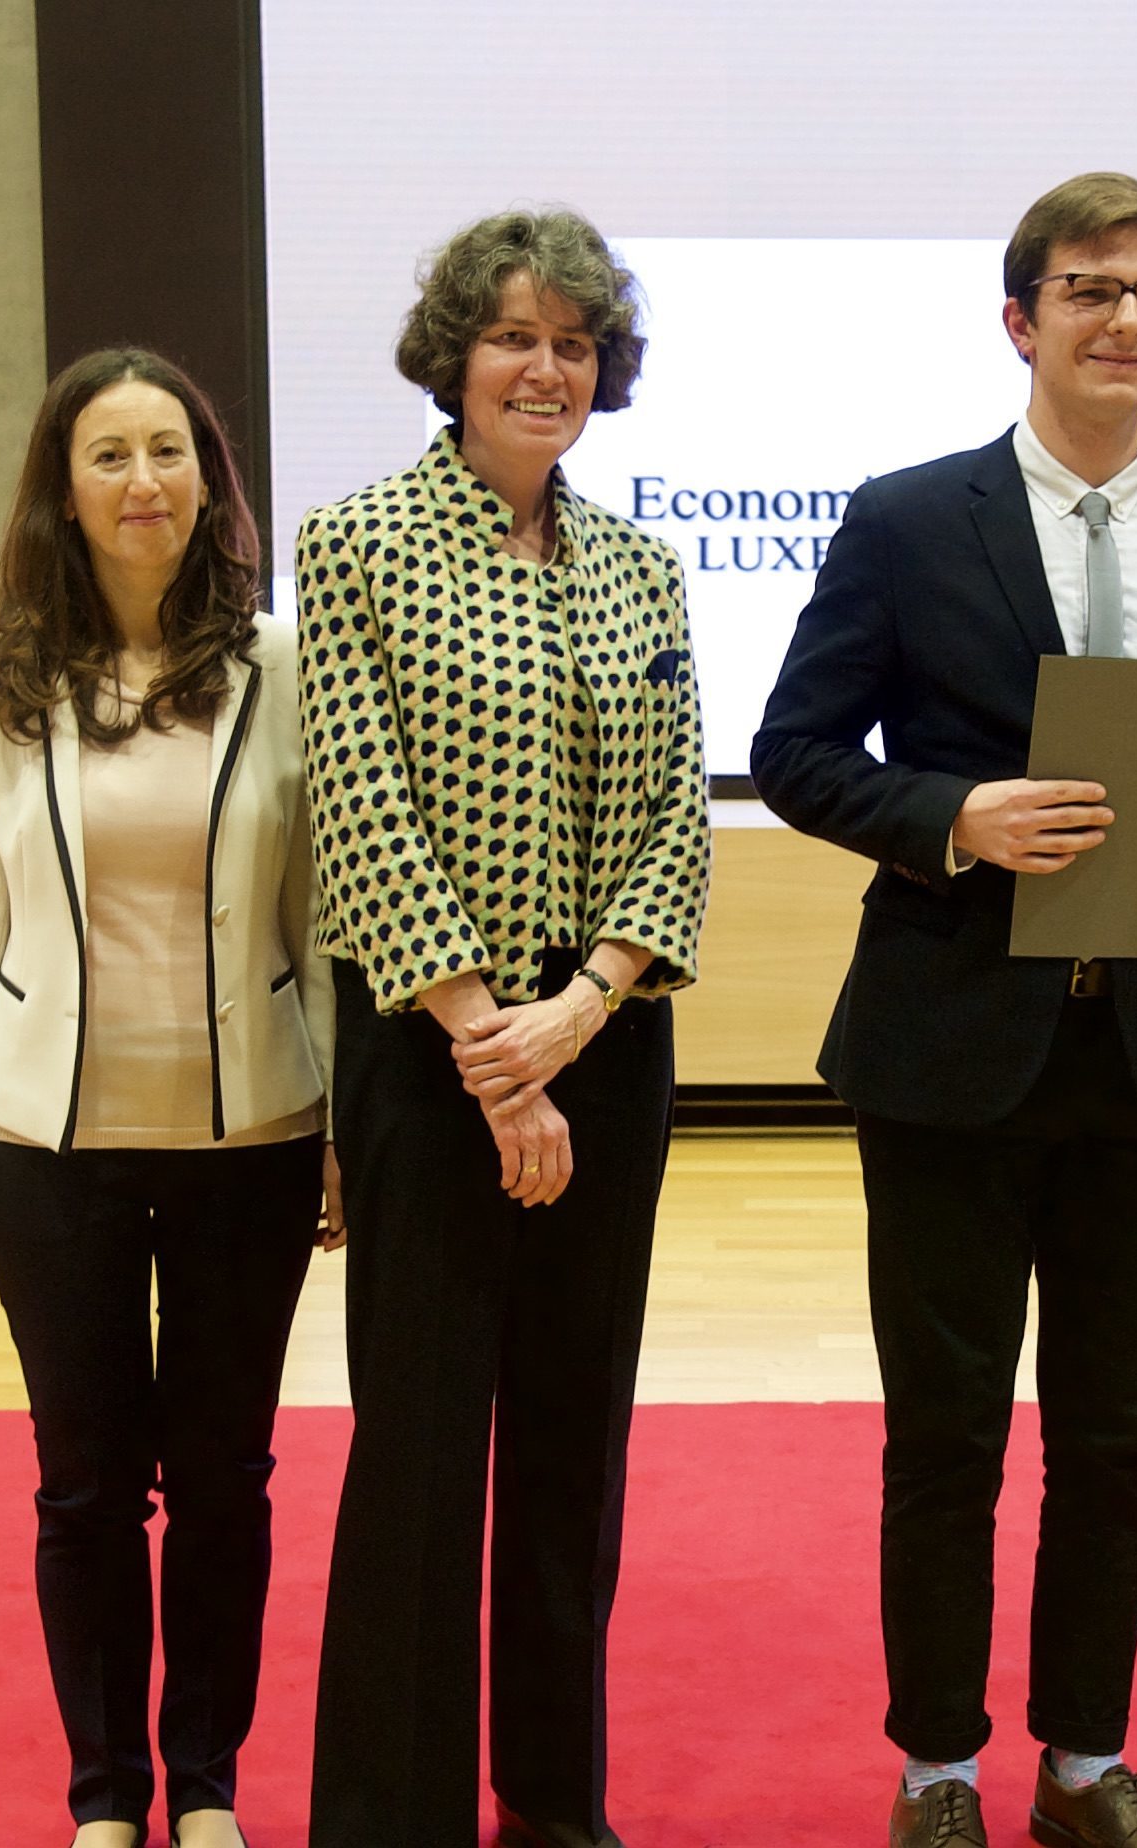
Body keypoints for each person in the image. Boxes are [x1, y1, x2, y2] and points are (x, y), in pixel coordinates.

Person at [753, 172, 1137, 1848]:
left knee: (1114, 1444)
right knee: (945, 1440)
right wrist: (955, 816)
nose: (1126, 321)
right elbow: (796, 751)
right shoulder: (905, 520)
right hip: (950, 1051)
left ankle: (1085, 1764)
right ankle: (937, 1769)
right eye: (1091, 290)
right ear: (1021, 321)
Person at [296, 206, 710, 1848]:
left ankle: (553, 1800)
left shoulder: (643, 564)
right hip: (429, 1050)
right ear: (453, 359)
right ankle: (390, 1817)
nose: (547, 369)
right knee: (418, 1447)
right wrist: (494, 1050)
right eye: (515, 338)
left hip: (601, 1043)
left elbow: (673, 824)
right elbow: (362, 812)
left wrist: (579, 1015)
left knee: (572, 1441)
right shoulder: (356, 542)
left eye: (575, 343)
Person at [0, 346, 341, 1848]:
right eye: (109, 455)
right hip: (46, 1142)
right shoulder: (0, 663)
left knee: (223, 1480)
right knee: (83, 1486)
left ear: (209, 478)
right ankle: (105, 1797)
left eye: (168, 450)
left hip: (251, 1137)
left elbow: (319, 914)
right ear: (64, 490)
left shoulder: (282, 663)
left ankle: (204, 1784)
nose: (143, 480)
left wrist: (342, 1124)